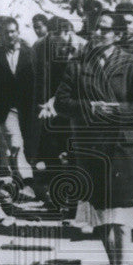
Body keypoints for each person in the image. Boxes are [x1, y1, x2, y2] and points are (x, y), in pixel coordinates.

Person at [54, 11, 133, 265]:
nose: (98, 33)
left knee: (121, 220)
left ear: (118, 34)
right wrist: (91, 107)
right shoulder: (77, 65)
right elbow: (62, 103)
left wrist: (115, 110)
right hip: (90, 149)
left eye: (106, 29)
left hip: (124, 148)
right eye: (94, 28)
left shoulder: (132, 65)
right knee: (100, 219)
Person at [33, 17, 84, 207]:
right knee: (52, 153)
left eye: (56, 35)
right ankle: (58, 198)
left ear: (67, 32)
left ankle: (76, 200)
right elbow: (42, 78)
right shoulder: (45, 47)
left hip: (76, 109)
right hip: (53, 110)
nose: (53, 40)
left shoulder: (84, 48)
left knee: (74, 155)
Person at [0, 17, 35, 187]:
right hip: (6, 108)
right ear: (0, 34)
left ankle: (19, 177)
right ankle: (26, 181)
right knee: (15, 142)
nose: (10, 35)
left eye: (13, 31)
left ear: (18, 32)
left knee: (27, 145)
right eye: (6, 32)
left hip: (27, 107)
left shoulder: (29, 52)